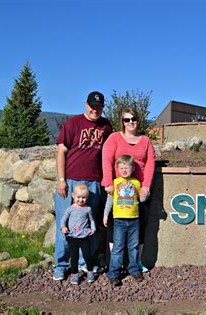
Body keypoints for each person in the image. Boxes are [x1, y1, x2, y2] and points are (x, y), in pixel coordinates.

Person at [53, 91, 113, 281]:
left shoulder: (106, 126)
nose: (95, 110)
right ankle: (61, 265)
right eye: (92, 106)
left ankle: (83, 264)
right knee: (65, 226)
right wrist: (61, 180)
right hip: (71, 181)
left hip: (94, 183)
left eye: (99, 107)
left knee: (88, 226)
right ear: (86, 105)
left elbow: (109, 153)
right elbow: (61, 151)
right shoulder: (73, 123)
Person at [101, 107, 156, 272]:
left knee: (140, 226)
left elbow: (150, 164)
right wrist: (108, 183)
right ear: (122, 122)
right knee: (113, 225)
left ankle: (135, 261)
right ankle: (114, 263)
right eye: (127, 119)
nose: (130, 122)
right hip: (118, 189)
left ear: (138, 121)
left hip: (138, 191)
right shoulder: (114, 138)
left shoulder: (145, 140)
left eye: (133, 119)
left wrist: (146, 186)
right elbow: (106, 160)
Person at [103, 155, 145, 286]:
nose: (124, 170)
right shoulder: (115, 183)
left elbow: (140, 199)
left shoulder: (137, 183)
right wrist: (105, 215)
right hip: (119, 220)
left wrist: (145, 195)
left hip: (134, 220)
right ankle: (114, 272)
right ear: (118, 169)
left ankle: (133, 269)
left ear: (132, 168)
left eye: (126, 167)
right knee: (118, 247)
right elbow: (109, 200)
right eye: (121, 168)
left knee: (133, 246)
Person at [60, 184, 96, 284]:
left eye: (83, 197)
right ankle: (75, 275)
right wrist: (63, 227)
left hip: (84, 236)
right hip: (73, 237)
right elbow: (63, 220)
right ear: (73, 195)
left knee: (87, 256)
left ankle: (90, 272)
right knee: (74, 257)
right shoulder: (70, 209)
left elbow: (91, 220)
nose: (80, 200)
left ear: (87, 198)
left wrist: (93, 228)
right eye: (78, 197)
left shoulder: (88, 209)